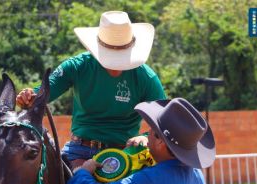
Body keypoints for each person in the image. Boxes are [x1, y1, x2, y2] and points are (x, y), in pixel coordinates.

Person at [16, 11, 166, 169]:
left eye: (121, 56)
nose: (115, 66)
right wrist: (28, 98)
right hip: (79, 150)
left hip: (126, 154)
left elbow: (164, 121)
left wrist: (144, 138)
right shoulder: (77, 66)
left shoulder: (146, 77)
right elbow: (44, 94)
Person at [67, 97, 216, 184]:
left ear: (160, 142)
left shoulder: (152, 182)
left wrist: (83, 173)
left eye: (151, 129)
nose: (147, 133)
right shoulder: (197, 176)